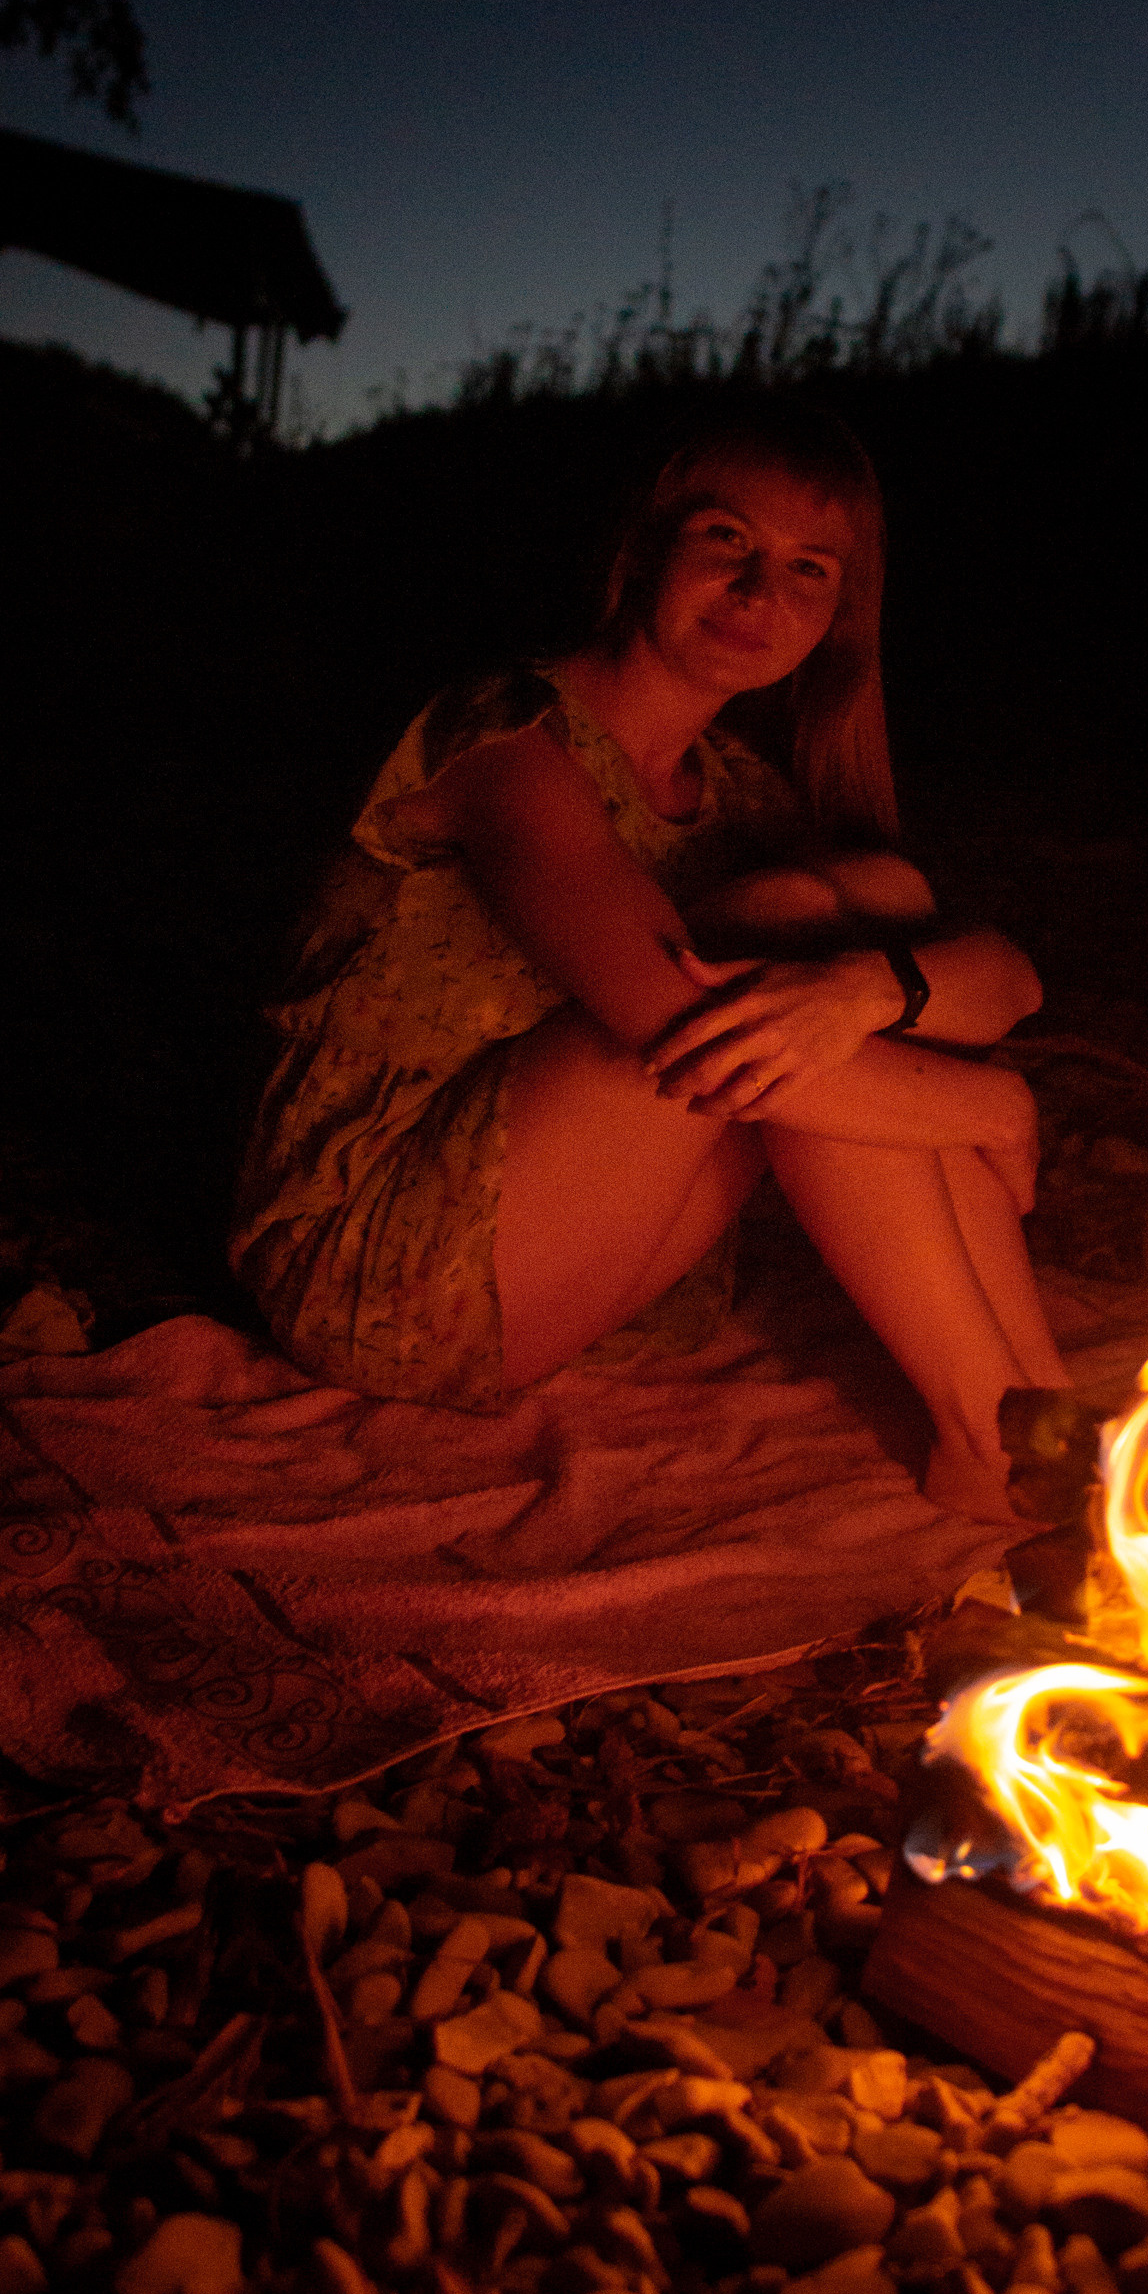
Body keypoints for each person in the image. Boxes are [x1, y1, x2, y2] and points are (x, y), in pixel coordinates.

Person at [228, 412, 1065, 1522]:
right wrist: (988, 1104)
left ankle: (1043, 1412)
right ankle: (988, 1440)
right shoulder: (508, 742)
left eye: (808, 569)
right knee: (762, 996)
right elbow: (673, 1019)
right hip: (380, 1260)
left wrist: (871, 990)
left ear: (834, 618)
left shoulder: (741, 790)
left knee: (859, 921)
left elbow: (1006, 979)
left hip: (583, 1261)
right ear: (644, 547)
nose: (761, 590)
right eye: (727, 539)